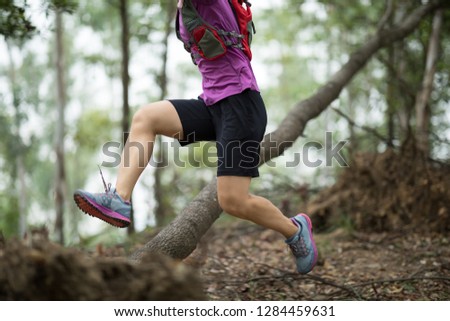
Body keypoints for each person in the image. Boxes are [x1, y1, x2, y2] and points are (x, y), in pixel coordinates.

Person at [74, 0, 317, 274]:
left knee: (233, 201)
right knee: (146, 118)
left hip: (241, 105)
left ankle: (295, 229)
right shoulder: (184, 6)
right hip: (213, 104)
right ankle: (120, 198)